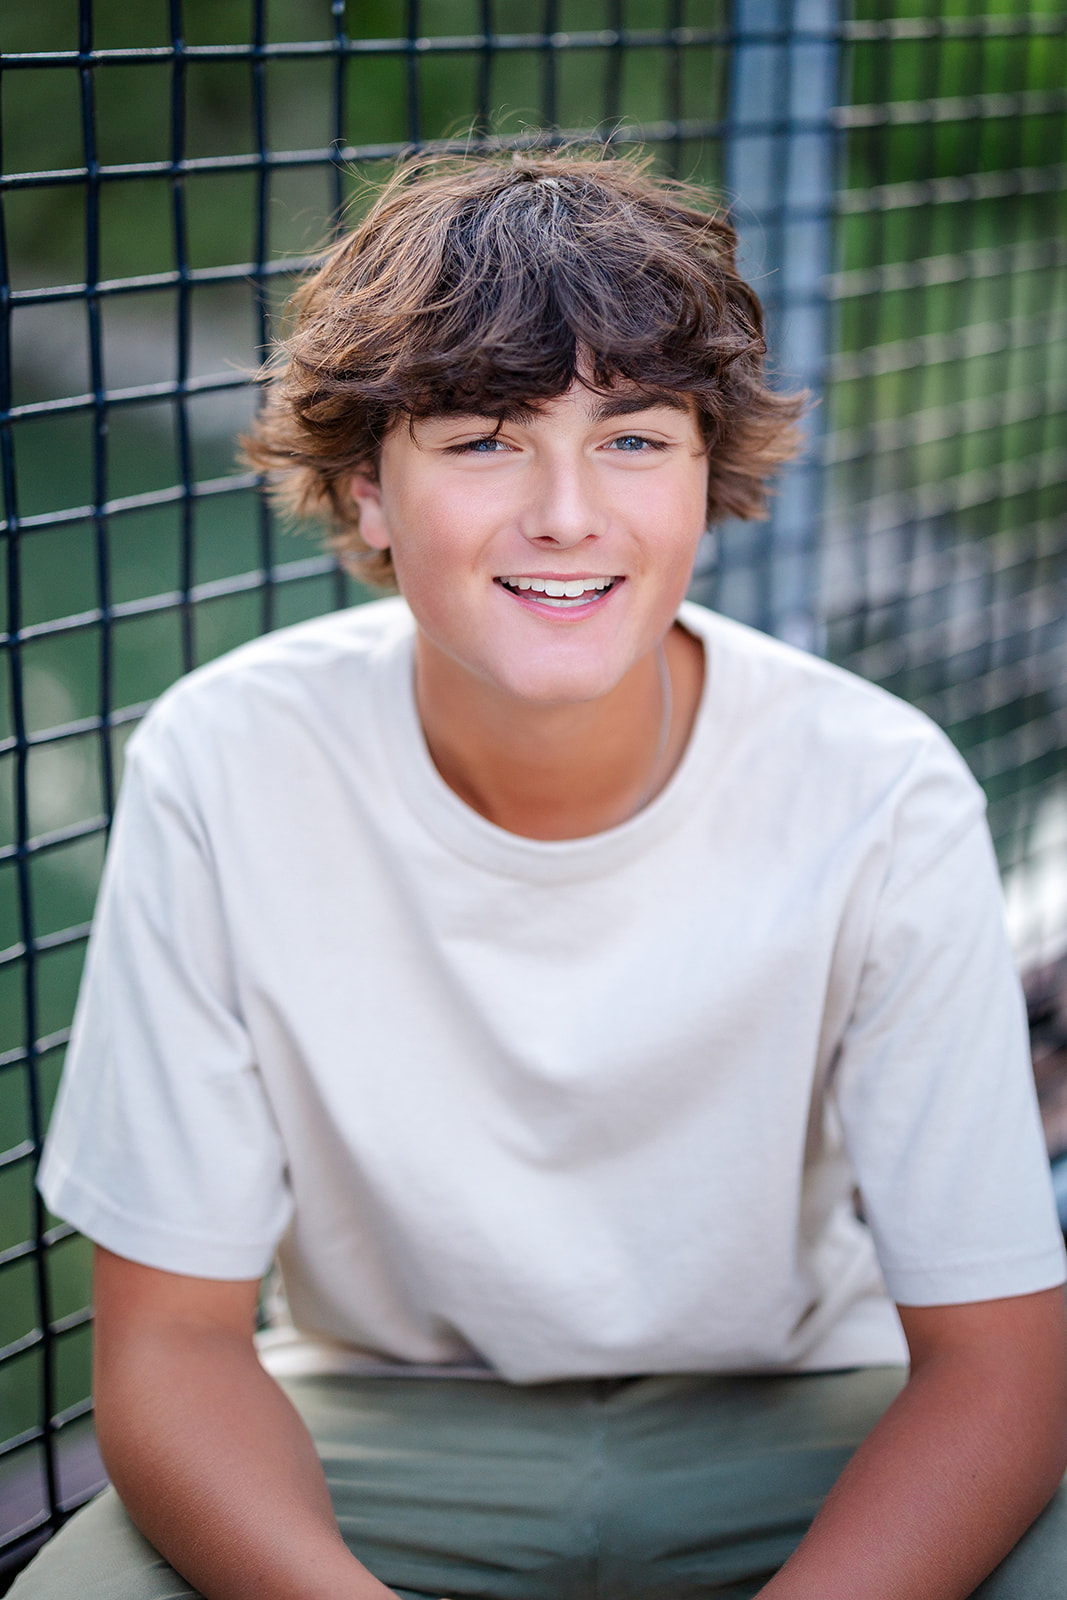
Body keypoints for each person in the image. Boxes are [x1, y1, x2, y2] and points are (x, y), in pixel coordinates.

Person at [16, 152, 1067, 1600]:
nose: (568, 514)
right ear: (365, 491)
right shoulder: (225, 763)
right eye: (484, 440)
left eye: (635, 440)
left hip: (798, 1417)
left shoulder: (881, 791)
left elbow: (1000, 1374)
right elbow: (172, 1348)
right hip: (383, 1427)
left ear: (711, 476)